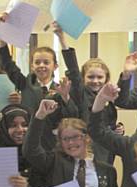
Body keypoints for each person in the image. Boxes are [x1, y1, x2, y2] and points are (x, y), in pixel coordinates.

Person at [0, 13, 79, 151]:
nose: (42, 65)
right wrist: (2, 28)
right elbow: (6, 61)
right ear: (32, 66)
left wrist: (66, 97)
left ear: (55, 66)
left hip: (52, 147)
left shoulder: (61, 89)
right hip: (27, 144)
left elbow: (73, 115)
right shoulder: (24, 84)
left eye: (46, 62)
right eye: (37, 62)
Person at [53, 22, 124, 164]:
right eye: (91, 77)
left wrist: (119, 128)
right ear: (83, 78)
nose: (95, 81)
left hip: (106, 148)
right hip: (87, 148)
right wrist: (62, 39)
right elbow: (73, 70)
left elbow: (108, 122)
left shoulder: (108, 98)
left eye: (100, 77)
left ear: (106, 79)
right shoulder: (81, 94)